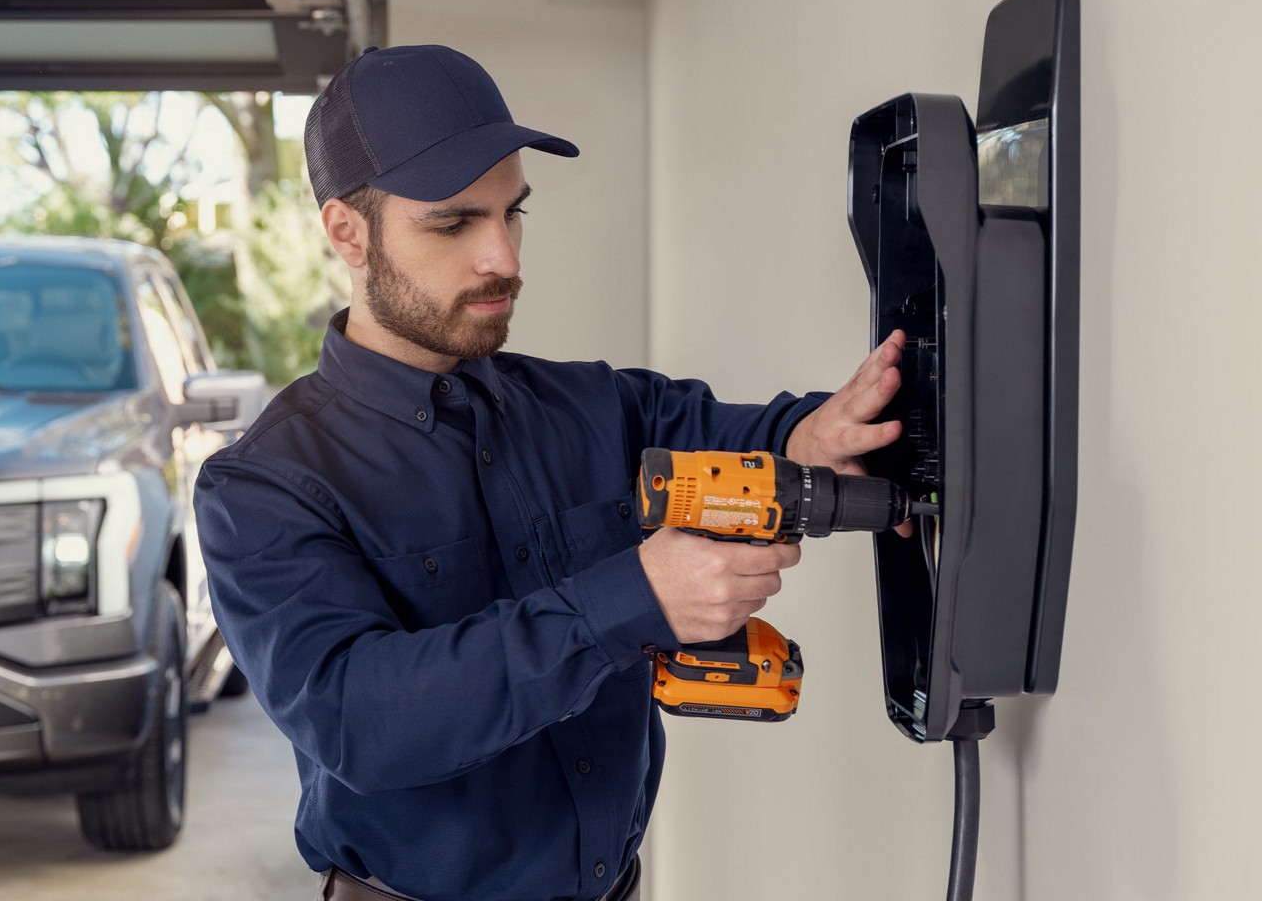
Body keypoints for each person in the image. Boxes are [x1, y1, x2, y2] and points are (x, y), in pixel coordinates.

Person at [194, 44, 907, 901]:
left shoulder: (592, 408)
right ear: (348, 231)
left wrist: (817, 433)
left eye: (513, 212)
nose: (502, 256)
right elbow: (362, 720)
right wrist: (634, 598)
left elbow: (753, 437)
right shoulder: (263, 486)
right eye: (454, 223)